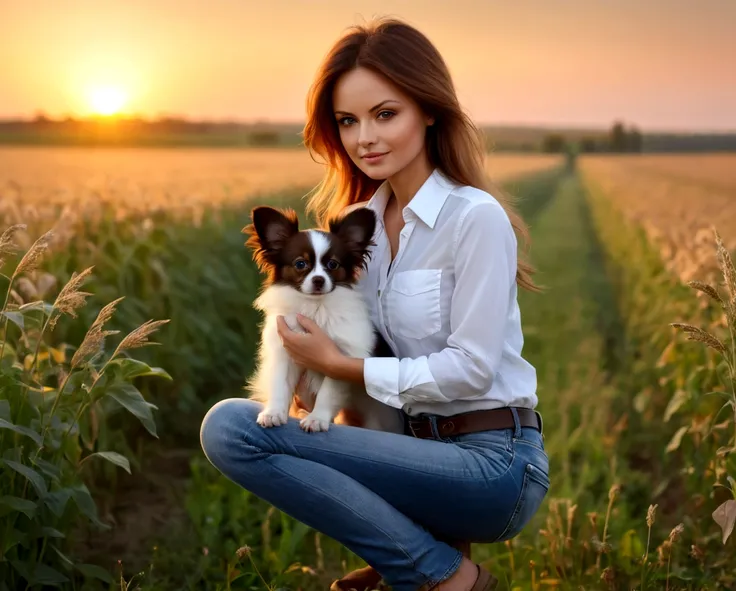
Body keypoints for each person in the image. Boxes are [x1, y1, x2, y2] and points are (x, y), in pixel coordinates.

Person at [200, 16, 549, 591]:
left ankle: (437, 575)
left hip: (494, 463)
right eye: (348, 120)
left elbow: (472, 368)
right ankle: (420, 562)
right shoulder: (360, 237)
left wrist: (341, 366)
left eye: (385, 113)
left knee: (232, 429)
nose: (365, 137)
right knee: (238, 426)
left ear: (430, 110)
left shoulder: (473, 218)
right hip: (408, 447)